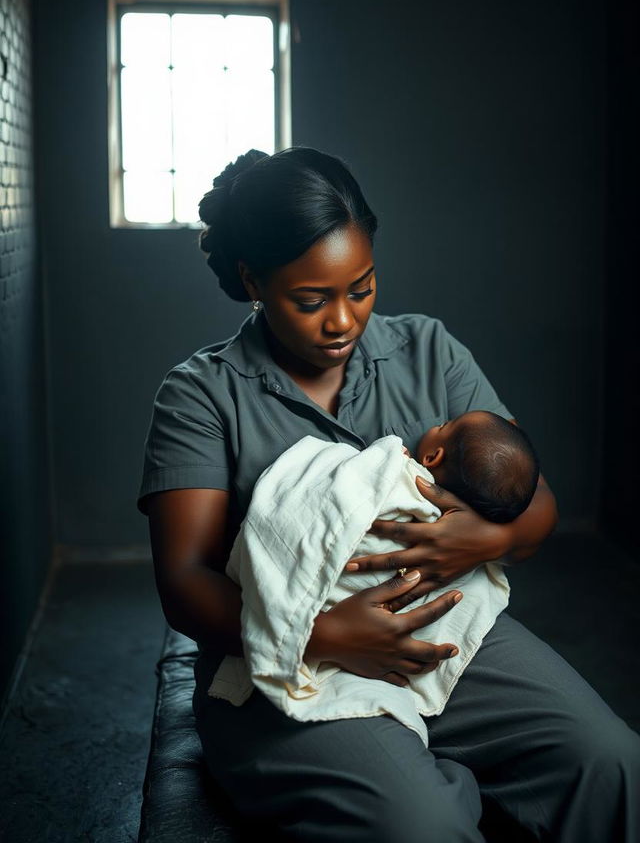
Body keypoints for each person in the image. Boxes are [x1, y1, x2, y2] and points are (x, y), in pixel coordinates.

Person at [137, 146, 640, 843]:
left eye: (362, 288)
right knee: (419, 824)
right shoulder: (201, 394)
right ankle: (435, 782)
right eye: (310, 300)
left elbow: (537, 503)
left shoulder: (430, 351)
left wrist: (489, 538)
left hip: (445, 635)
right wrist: (321, 634)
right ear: (254, 280)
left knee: (611, 761)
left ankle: (434, 763)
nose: (343, 321)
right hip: (282, 667)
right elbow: (184, 582)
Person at [206, 413, 539, 746]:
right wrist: (325, 636)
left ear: (433, 457)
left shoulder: (400, 473)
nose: (436, 426)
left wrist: (486, 539)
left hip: (306, 631)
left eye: (444, 427)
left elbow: (327, 498)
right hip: (308, 640)